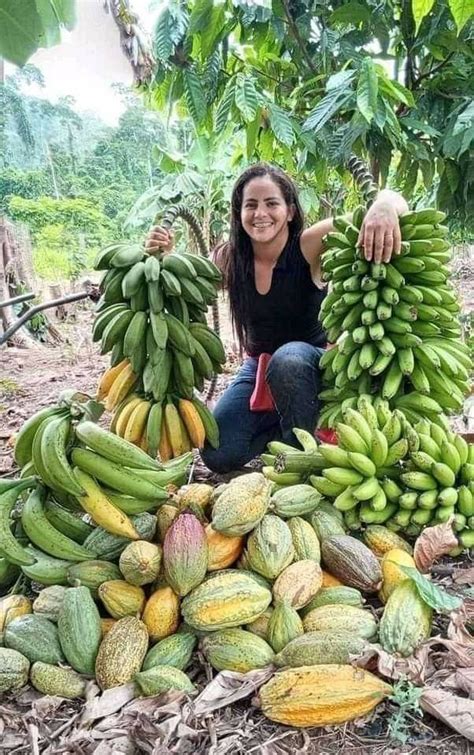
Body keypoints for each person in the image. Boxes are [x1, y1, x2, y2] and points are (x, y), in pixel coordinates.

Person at [146, 163, 408, 473]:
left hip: (312, 364)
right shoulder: (229, 258)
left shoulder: (309, 246)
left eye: (272, 203)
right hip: (259, 367)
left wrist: (383, 205)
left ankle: (302, 456)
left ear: (291, 211)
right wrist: (162, 256)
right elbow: (187, 284)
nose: (261, 214)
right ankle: (285, 423)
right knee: (219, 454)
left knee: (289, 359)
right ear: (238, 212)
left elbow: (396, 203)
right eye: (250, 205)